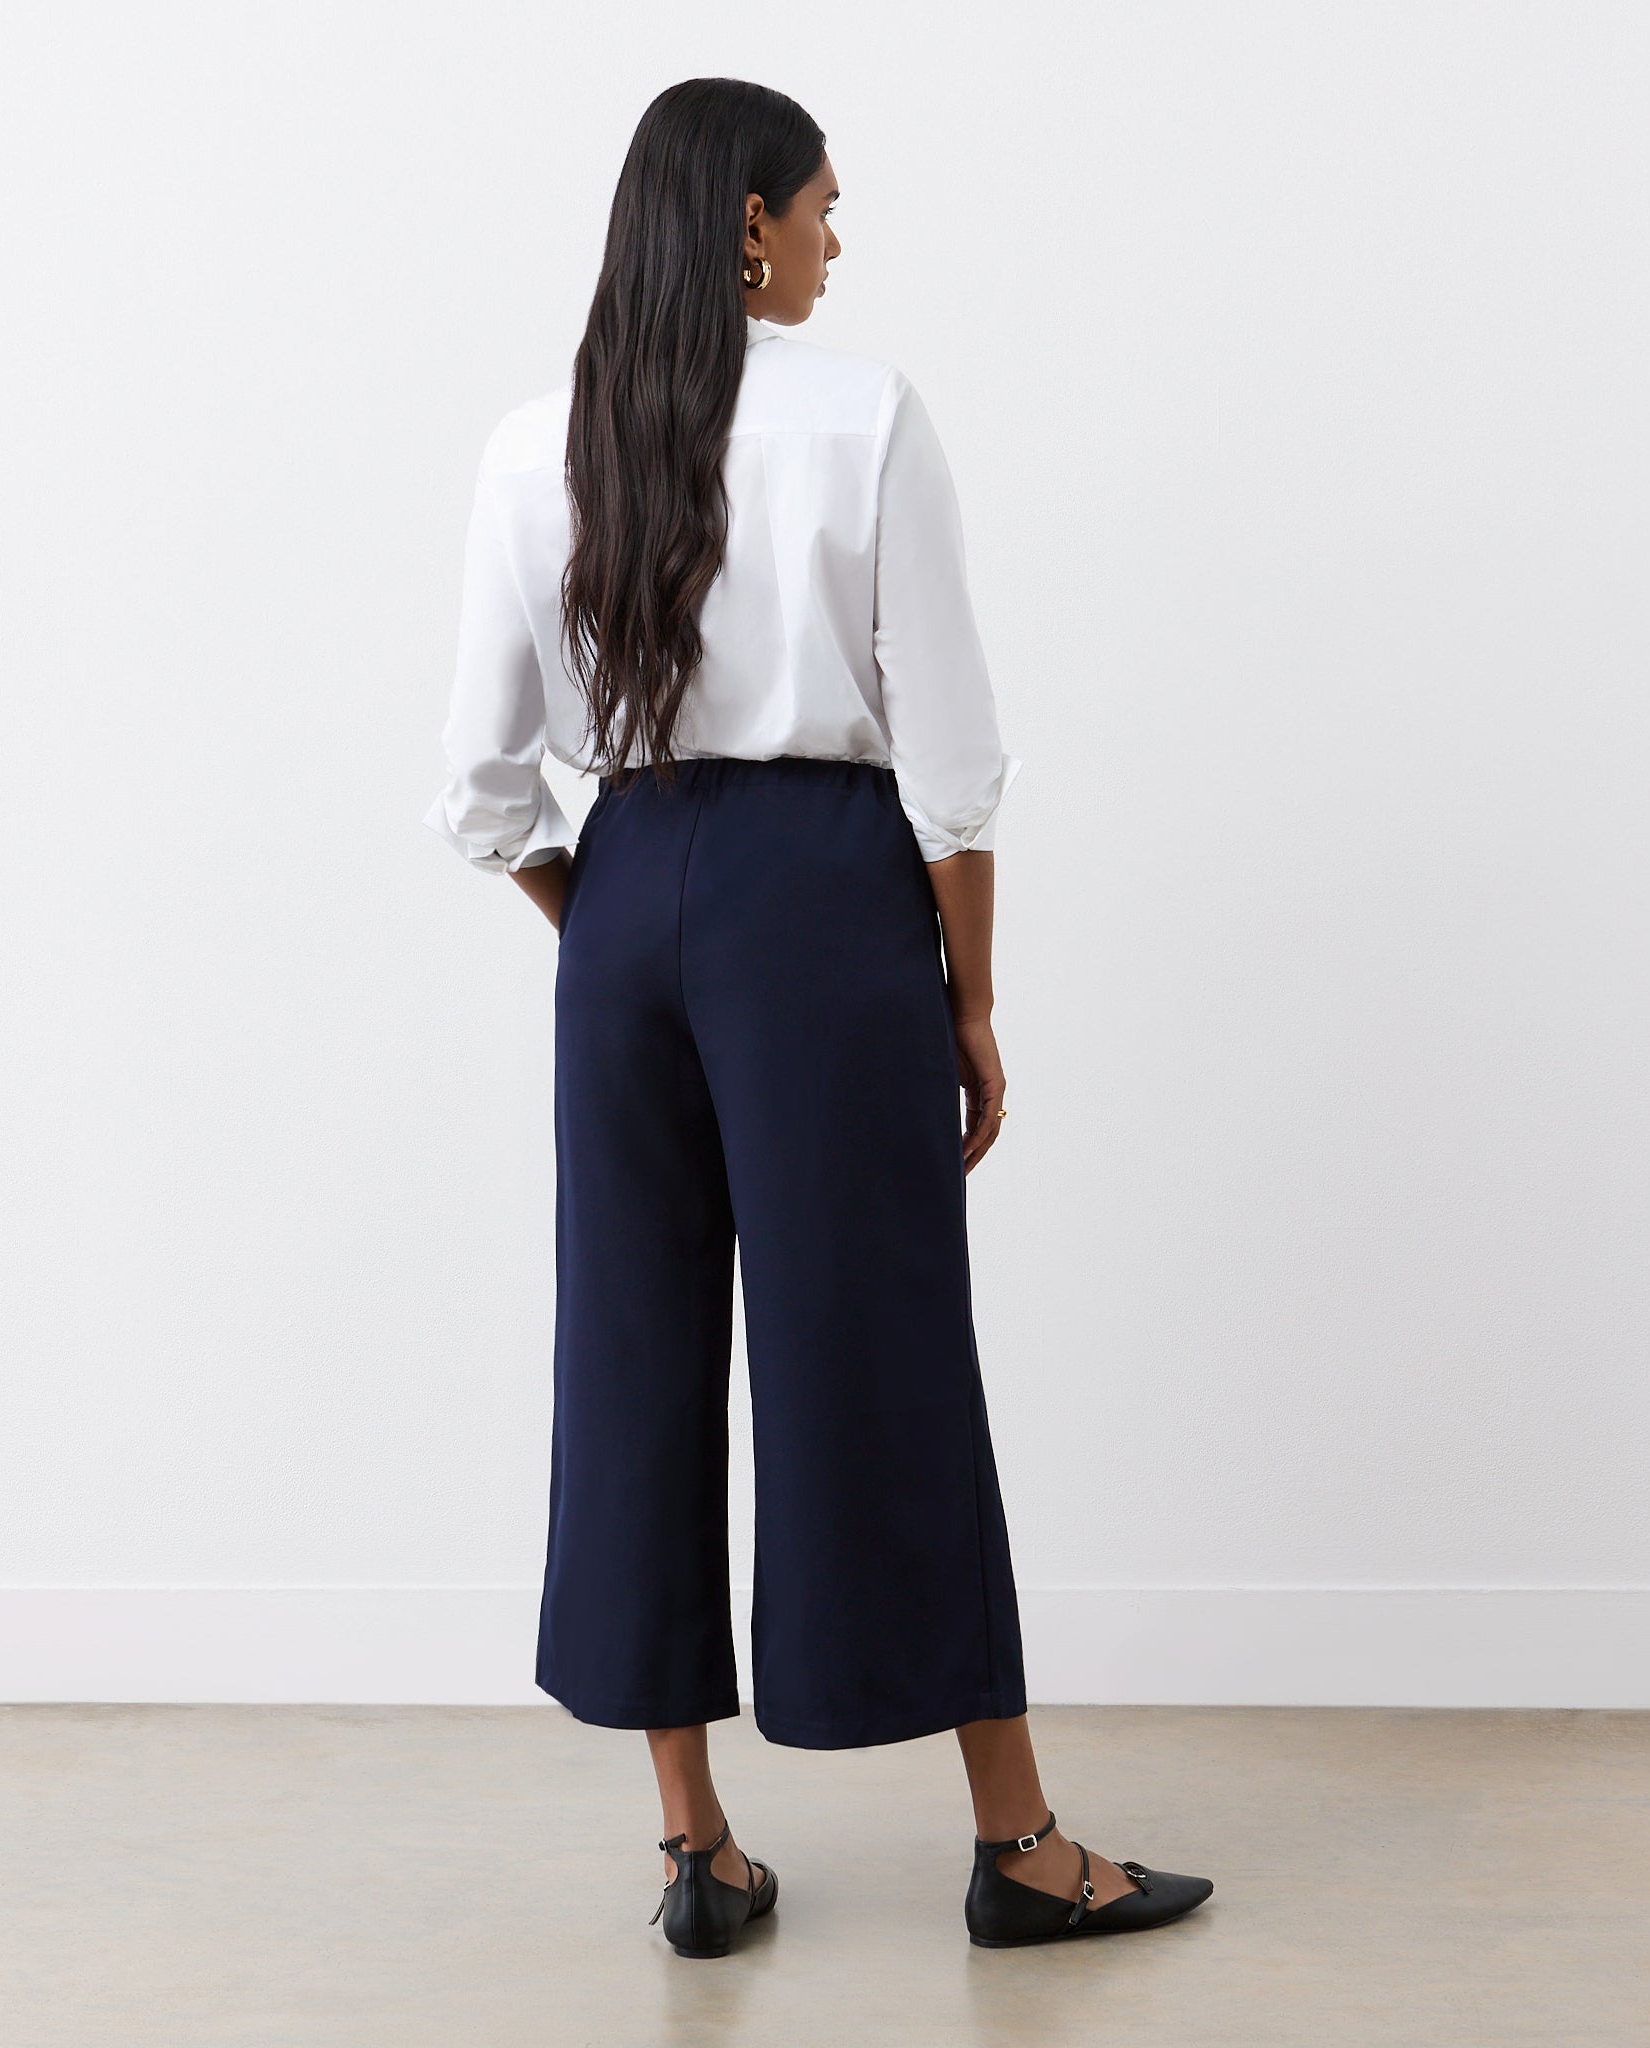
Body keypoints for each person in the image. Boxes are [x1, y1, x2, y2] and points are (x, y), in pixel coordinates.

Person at [424, 75, 1214, 1959]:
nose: (839, 243)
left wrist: (602, 921)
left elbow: (477, 789)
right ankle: (1015, 1846)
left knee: (629, 1355)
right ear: (750, 225)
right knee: (881, 1355)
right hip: (823, 906)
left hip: (625, 896)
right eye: (823, 209)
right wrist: (971, 993)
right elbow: (948, 763)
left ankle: (696, 1849)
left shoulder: (541, 443)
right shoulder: (862, 415)